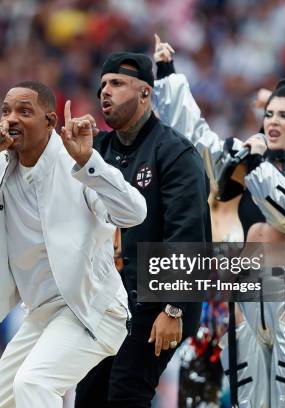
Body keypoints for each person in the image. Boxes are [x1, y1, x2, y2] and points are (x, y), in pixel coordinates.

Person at [0, 81, 147, 407]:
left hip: (92, 308)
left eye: (24, 111)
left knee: (34, 384)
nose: (11, 119)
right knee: (1, 404)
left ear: (50, 121)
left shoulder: (77, 163)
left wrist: (89, 163)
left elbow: (134, 213)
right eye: (6, 111)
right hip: (41, 315)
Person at [152, 36, 285, 407]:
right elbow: (196, 141)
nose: (273, 122)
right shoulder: (246, 156)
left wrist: (256, 164)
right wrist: (169, 74)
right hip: (246, 299)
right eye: (270, 114)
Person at [75, 51, 211, 407]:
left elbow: (188, 236)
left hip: (156, 301)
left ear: (145, 93)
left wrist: (174, 309)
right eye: (103, 84)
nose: (106, 91)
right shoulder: (96, 150)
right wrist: (73, 151)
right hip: (107, 299)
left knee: (126, 391)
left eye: (117, 84)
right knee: (89, 395)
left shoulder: (175, 153)